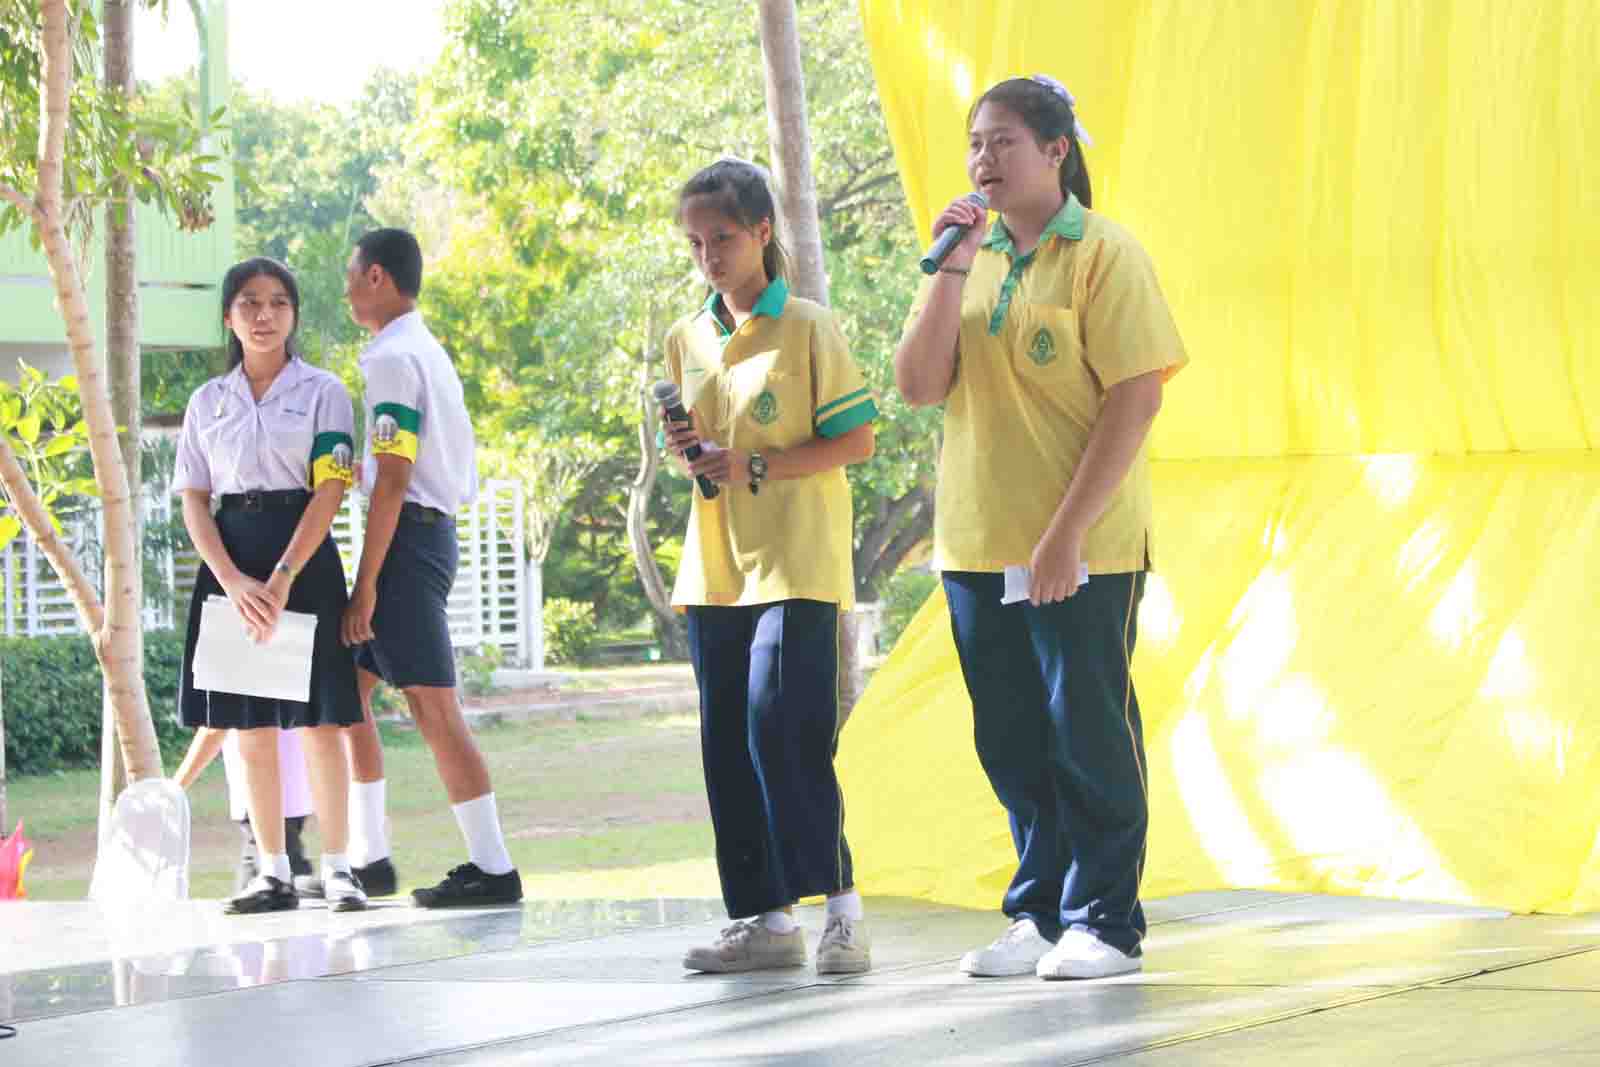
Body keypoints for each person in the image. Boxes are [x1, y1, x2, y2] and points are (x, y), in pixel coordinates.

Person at [893, 76, 1187, 980]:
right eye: (976, 142)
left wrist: (1065, 534)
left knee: (1087, 732)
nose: (983, 159)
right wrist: (950, 266)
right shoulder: (966, 255)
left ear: (1057, 150)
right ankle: (1041, 913)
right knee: (1012, 738)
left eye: (1004, 141)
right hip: (977, 542)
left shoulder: (1105, 253)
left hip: (1080, 547)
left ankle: (1107, 921)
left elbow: (1136, 399)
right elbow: (917, 385)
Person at [660, 159, 879, 975]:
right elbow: (701, 449)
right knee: (726, 743)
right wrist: (692, 452)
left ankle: (843, 913)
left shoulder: (810, 327)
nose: (708, 256)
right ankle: (768, 920)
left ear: (761, 232)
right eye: (694, 243)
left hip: (797, 560)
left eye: (721, 238)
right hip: (715, 569)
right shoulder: (687, 337)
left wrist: (752, 464)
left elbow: (856, 440)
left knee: (782, 731)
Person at [173, 257, 369, 914]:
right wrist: (231, 580)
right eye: (250, 303)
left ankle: (339, 869)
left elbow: (330, 488)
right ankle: (273, 873)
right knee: (248, 725)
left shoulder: (324, 392)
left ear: (294, 314)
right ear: (228, 316)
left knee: (321, 721)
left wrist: (283, 576)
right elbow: (195, 498)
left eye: (279, 302)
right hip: (230, 561)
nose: (264, 315)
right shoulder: (207, 402)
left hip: (303, 561)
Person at [340, 227, 521, 908]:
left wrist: (366, 585)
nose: (347, 290)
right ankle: (367, 857)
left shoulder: (392, 357)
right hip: (426, 535)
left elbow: (394, 477)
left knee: (434, 708)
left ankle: (493, 868)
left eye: (352, 275)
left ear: (377, 276)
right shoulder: (424, 349)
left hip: (408, 545)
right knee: (346, 689)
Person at [173, 726, 320, 894]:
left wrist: (174, 788)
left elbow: (213, 730)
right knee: (264, 871)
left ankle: (314, 888)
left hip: (264, 800)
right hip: (289, 795)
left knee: (278, 877)